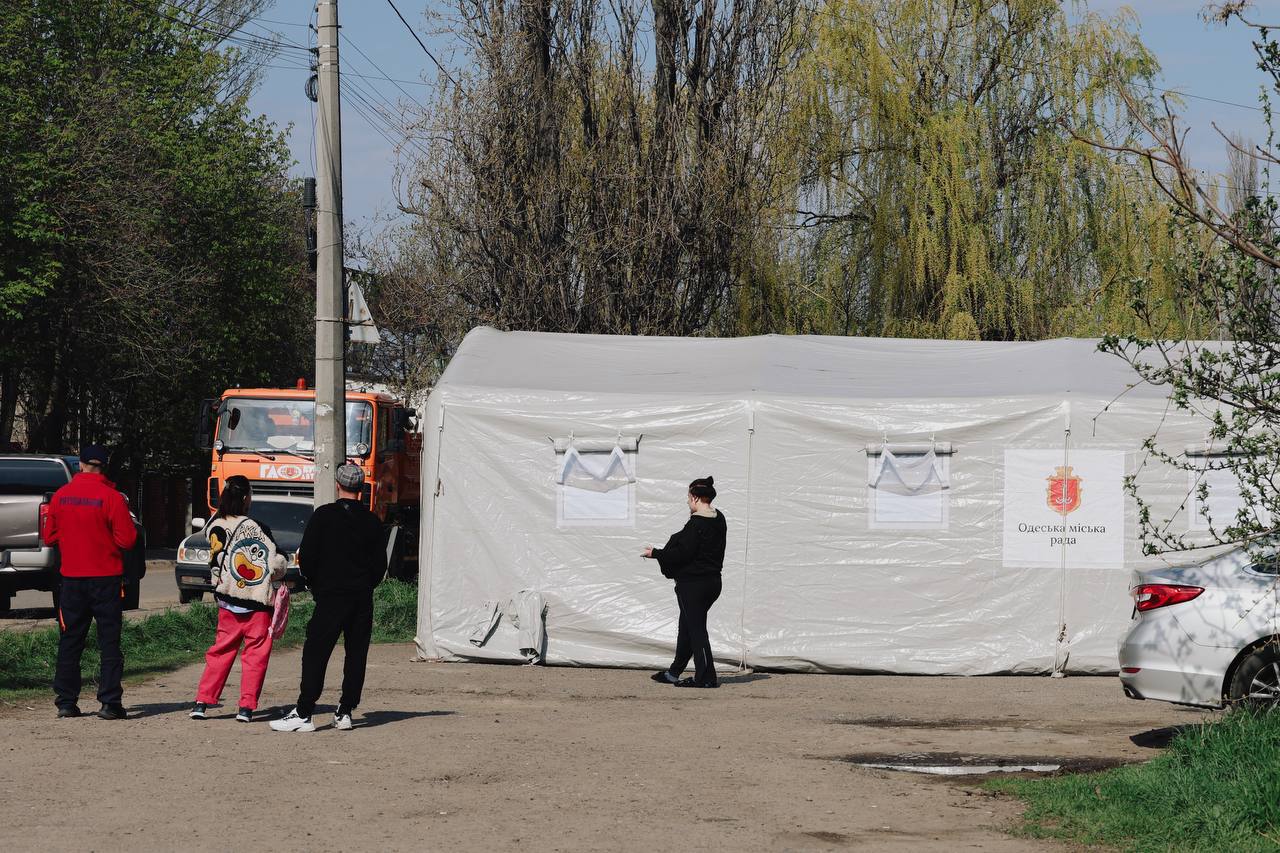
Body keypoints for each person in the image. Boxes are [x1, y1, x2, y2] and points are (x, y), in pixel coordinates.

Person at [271, 463, 386, 732]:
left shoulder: (324, 516)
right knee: (356, 654)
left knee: (316, 652)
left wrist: (315, 585)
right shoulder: (372, 521)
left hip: (331, 596)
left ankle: (304, 711)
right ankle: (345, 710)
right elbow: (380, 564)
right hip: (361, 598)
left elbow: (308, 556)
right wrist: (366, 585)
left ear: (337, 484)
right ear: (362, 488)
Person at [43, 444, 138, 719]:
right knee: (109, 641)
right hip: (106, 579)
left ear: (80, 465)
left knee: (70, 640)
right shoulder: (112, 498)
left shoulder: (60, 497)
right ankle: (109, 702)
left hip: (71, 580)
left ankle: (66, 702)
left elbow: (50, 537)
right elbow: (128, 540)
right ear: (103, 466)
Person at [190, 475, 286, 723]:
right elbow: (275, 563)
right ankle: (246, 707)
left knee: (220, 651)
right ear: (245, 498)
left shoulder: (214, 525)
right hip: (256, 604)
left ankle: (202, 702)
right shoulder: (256, 527)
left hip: (227, 600)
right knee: (255, 655)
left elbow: (214, 561)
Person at [643, 476, 727, 688]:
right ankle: (674, 673)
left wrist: (656, 553)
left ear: (696, 498)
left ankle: (706, 677)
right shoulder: (719, 519)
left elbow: (682, 554)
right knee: (688, 628)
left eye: (689, 498)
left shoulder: (696, 524)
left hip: (694, 586)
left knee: (696, 631)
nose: (688, 502)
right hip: (713, 583)